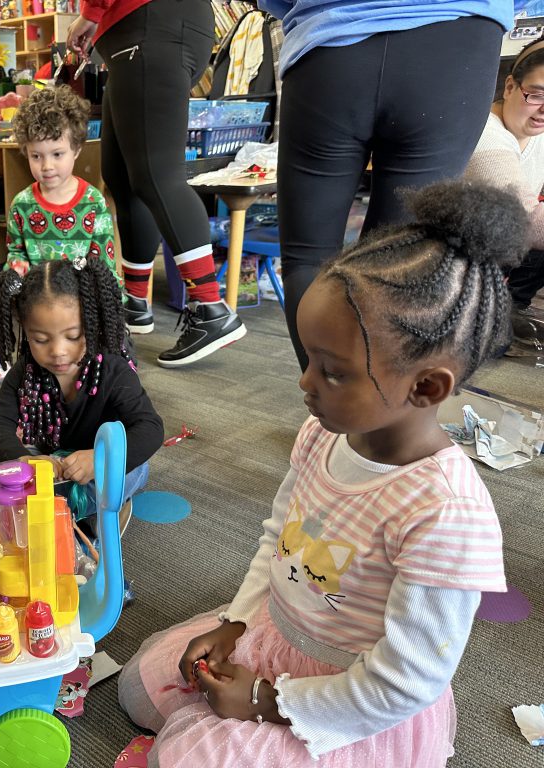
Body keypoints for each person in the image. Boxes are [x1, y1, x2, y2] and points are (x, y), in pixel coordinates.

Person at [116, 180, 518, 767]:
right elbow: (278, 540)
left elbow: (404, 684)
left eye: (333, 372)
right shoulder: (322, 433)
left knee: (184, 758)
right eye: (309, 360)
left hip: (353, 702)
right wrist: (236, 622)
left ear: (426, 387)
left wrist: (264, 700)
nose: (305, 384)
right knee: (141, 689)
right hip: (280, 637)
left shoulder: (445, 511)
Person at [264, 0, 511, 370]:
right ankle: (375, 421)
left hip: (330, 44)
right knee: (402, 260)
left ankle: (331, 414)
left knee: (308, 256)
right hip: (456, 40)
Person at [67, 0, 246, 368]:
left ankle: (211, 308)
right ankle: (134, 303)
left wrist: (90, 13)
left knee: (157, 175)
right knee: (123, 178)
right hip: (137, 36)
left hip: (151, 26)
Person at [0, 258, 163, 520]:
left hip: (107, 461)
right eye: (40, 339)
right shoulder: (27, 370)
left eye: (73, 336)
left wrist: (100, 460)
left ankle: (86, 518)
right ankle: (68, 512)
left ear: (93, 324)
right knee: (1, 478)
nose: (58, 351)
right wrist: (24, 459)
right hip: (55, 462)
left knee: (115, 480)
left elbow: (150, 428)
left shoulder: (112, 369)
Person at [465, 36, 544, 352]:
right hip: (459, 258)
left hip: (502, 253)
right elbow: (523, 217)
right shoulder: (484, 134)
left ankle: (507, 305)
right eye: (536, 95)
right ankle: (482, 313)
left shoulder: (535, 132)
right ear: (510, 86)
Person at [5, 86, 119, 286]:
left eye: (57, 154)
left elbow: (103, 264)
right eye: (36, 156)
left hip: (83, 305)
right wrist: (17, 268)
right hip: (37, 304)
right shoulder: (21, 205)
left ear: (76, 149)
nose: (47, 166)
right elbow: (16, 252)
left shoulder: (94, 203)